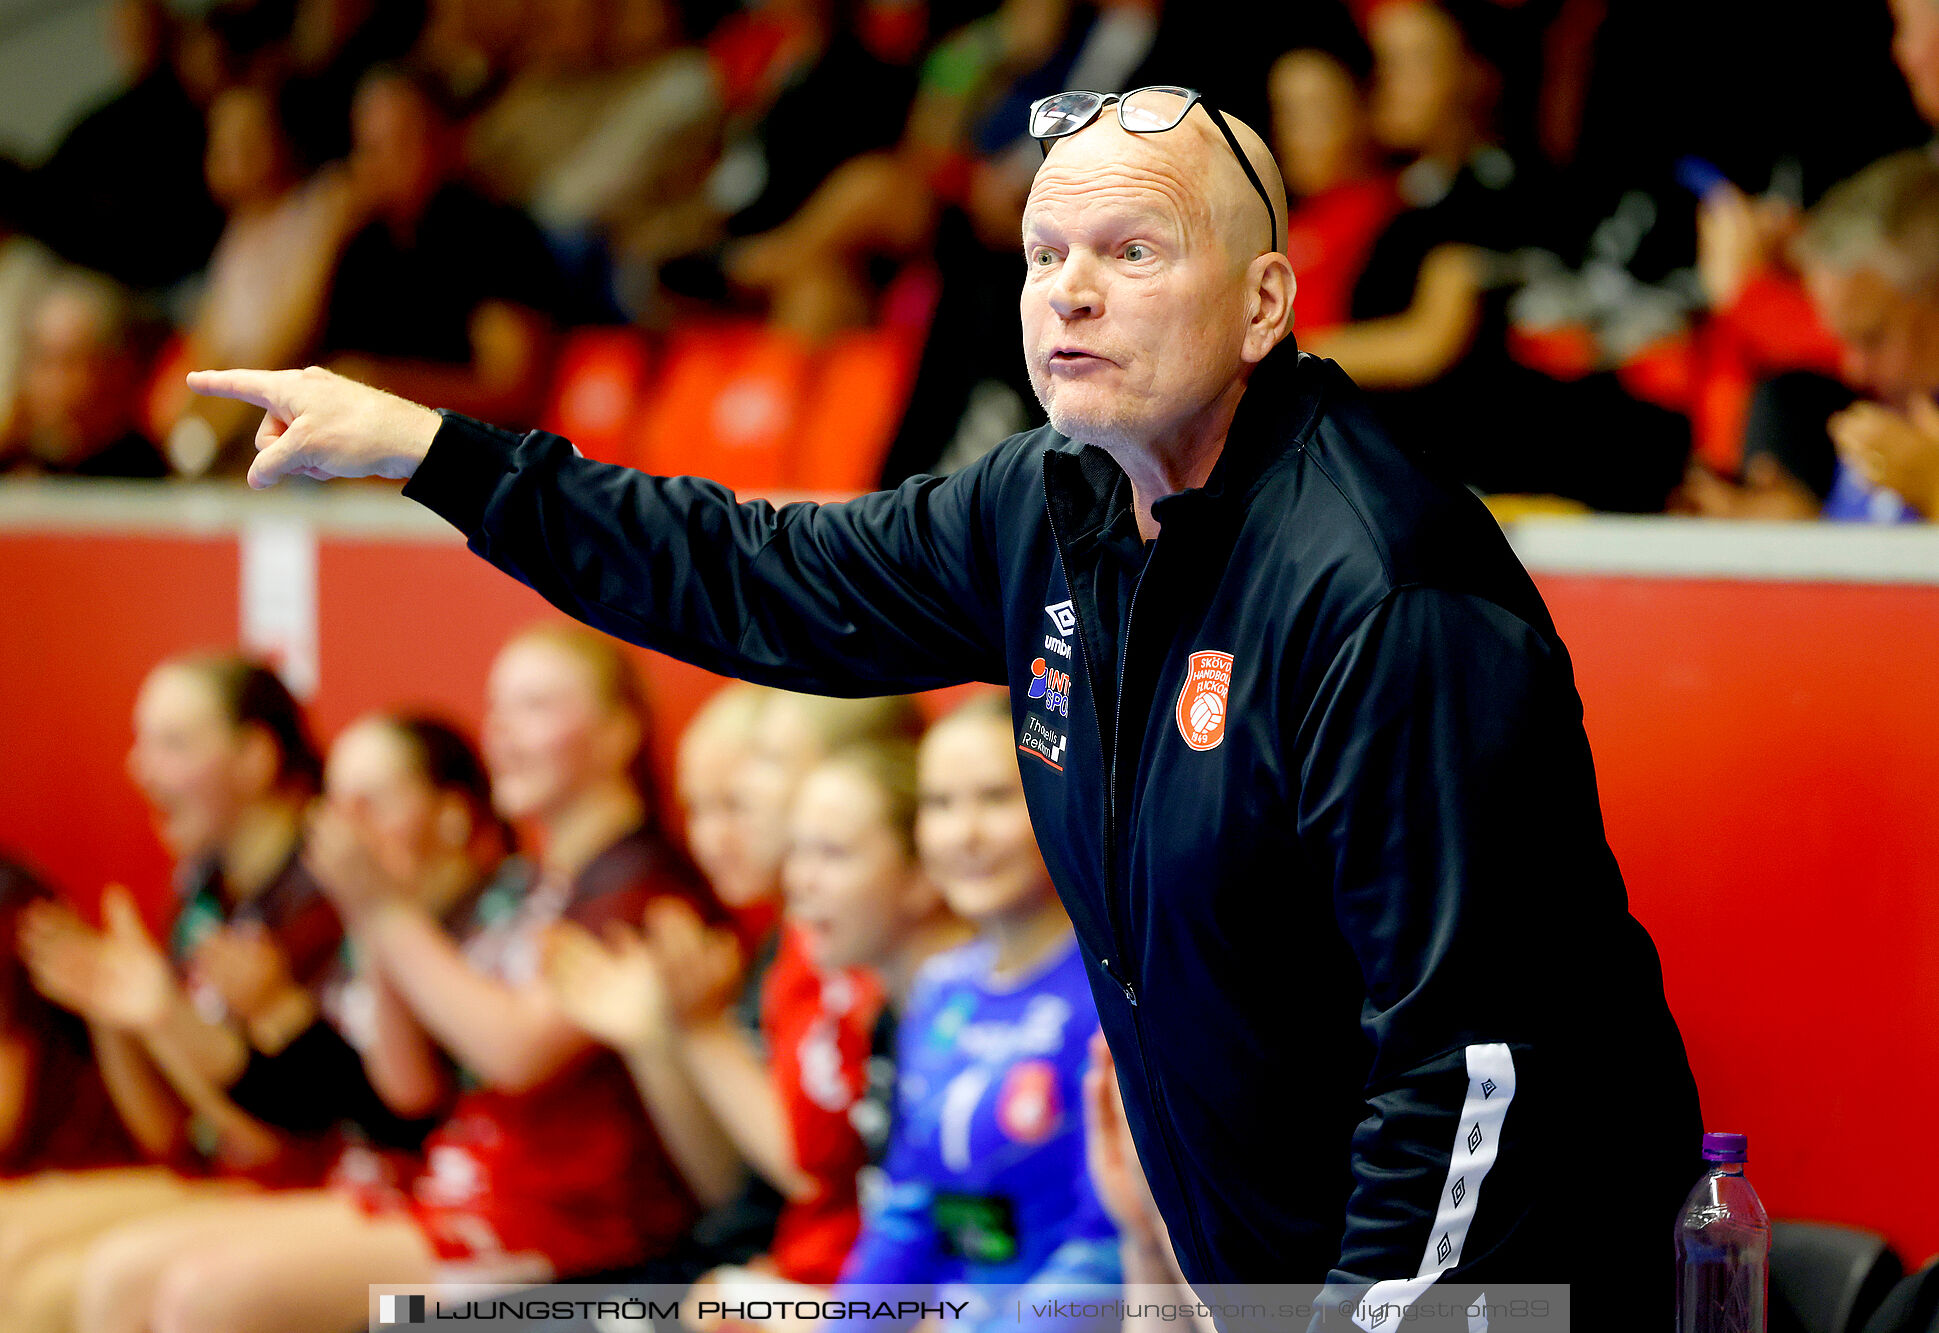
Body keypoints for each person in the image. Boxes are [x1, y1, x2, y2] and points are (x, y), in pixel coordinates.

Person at [191, 79, 1702, 1326]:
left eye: (1130, 251)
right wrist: (438, 455)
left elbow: (1467, 1065)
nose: (1070, 295)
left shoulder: (1382, 587)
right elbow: (749, 573)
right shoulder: (1042, 506)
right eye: (1046, 256)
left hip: (1500, 1296)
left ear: (1262, 304)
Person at [65, 711, 516, 1333]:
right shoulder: (357, 922)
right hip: (377, 1193)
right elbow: (198, 1133)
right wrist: (147, 1021)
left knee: (207, 1298)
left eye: (372, 802)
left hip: (499, 1228)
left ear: (454, 814)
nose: (342, 831)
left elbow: (397, 1111)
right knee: (120, 1273)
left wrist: (272, 1016)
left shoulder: (504, 916)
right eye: (335, 804)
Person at [1, 270, 168, 478]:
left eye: (69, 363)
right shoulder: (13, 459)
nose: (51, 385)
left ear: (113, 370)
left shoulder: (146, 474)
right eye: (42, 360)